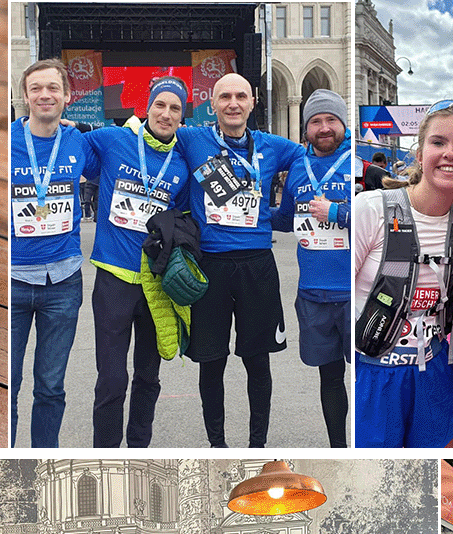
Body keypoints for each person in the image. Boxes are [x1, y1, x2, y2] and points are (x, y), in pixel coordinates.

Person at [176, 73, 309, 448]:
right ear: (213, 105)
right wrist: (73, 126)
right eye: (224, 97)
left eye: (240, 96)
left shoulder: (274, 146)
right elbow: (150, 130)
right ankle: (217, 445)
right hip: (211, 267)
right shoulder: (193, 139)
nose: (233, 103)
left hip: (257, 266)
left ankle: (257, 444)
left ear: (252, 102)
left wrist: (281, 212)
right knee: (211, 362)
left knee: (257, 362)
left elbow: (307, 154)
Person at [353, 101, 453, 447]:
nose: (449, 153)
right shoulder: (373, 208)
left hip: (434, 371)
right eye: (438, 143)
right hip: (374, 372)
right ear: (420, 154)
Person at [78, 77, 189, 447]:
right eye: (161, 105)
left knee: (148, 376)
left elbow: (185, 218)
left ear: (182, 116)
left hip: (154, 283)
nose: (166, 114)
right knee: (111, 379)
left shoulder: (182, 165)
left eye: (175, 108)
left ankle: (139, 446)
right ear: (148, 107)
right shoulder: (114, 140)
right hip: (114, 280)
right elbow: (71, 149)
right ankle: (104, 450)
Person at [266, 90, 354, 445]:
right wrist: (251, 216)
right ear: (306, 129)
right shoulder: (298, 169)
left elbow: (382, 222)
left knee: (366, 380)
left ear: (343, 125)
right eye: (316, 121)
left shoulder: (358, 164)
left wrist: (336, 212)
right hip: (314, 295)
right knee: (330, 379)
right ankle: (339, 446)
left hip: (357, 296)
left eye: (331, 120)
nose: (324, 127)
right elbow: (288, 219)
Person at [9, 59, 88, 448]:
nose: (45, 95)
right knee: (7, 387)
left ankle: (43, 455)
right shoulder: (2, 143)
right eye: (36, 88)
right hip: (12, 281)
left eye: (53, 88)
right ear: (24, 96)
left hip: (63, 282)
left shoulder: (80, 142)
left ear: (67, 96)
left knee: (51, 387)